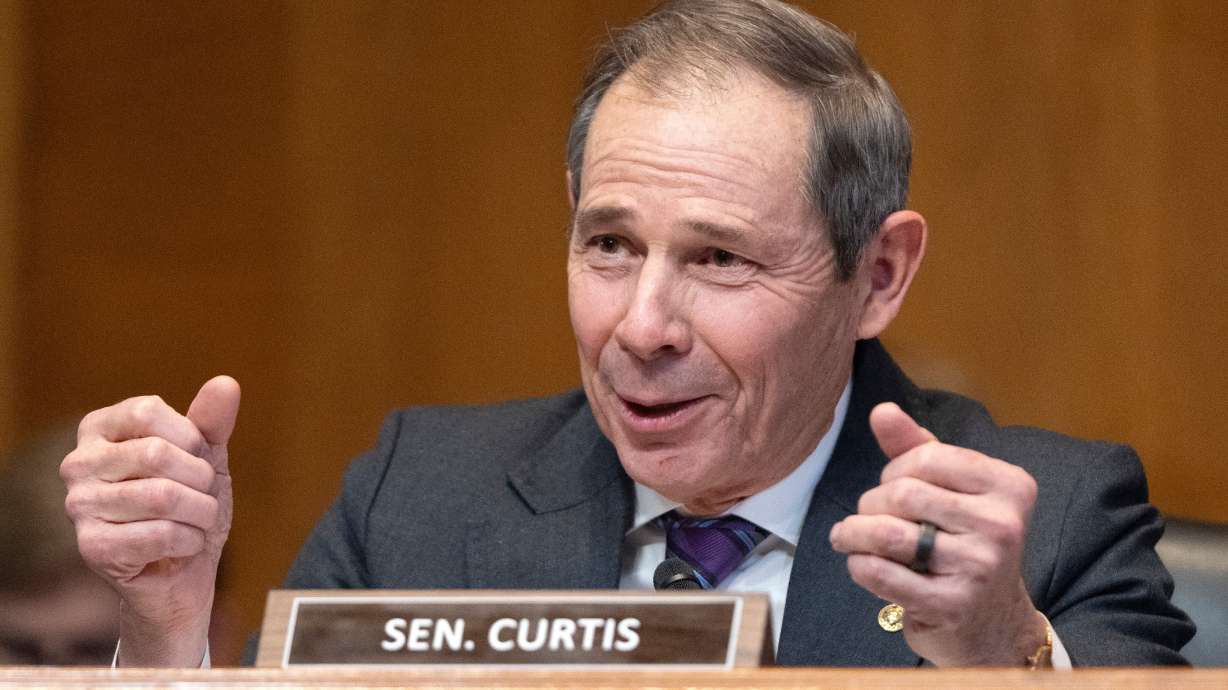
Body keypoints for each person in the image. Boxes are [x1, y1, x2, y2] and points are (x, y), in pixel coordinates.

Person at [59, 0, 1192, 669]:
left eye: (717, 258)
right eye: (608, 244)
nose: (640, 326)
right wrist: (164, 635)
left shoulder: (1050, 527)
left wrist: (1005, 656)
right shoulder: (419, 497)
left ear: (878, 273)